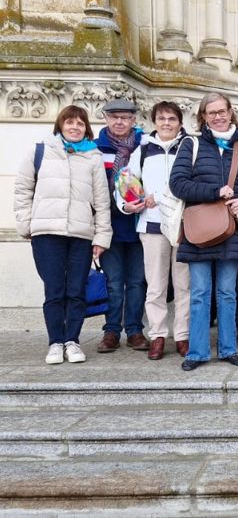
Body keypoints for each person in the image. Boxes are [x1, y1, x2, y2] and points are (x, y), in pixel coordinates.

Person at [169, 92, 238, 371]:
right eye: (211, 112)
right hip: (200, 230)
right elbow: (177, 184)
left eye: (221, 111)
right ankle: (197, 352)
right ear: (203, 116)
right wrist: (215, 191)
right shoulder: (192, 145)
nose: (217, 116)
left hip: (231, 231)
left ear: (230, 112)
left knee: (227, 292)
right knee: (200, 291)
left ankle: (227, 349)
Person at [14, 105, 111, 365]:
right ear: (61, 125)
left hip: (80, 234)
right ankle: (55, 342)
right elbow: (23, 190)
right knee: (54, 290)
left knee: (77, 290)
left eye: (80, 123)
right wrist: (26, 225)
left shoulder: (93, 157)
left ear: (86, 128)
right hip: (47, 233)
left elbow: (102, 202)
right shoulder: (40, 151)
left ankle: (73, 340)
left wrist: (101, 237)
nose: (75, 127)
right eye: (70, 122)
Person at [117, 101, 191, 360]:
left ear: (180, 122)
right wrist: (134, 202)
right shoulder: (143, 149)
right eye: (162, 119)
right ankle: (158, 335)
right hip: (152, 224)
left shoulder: (189, 147)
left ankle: (182, 336)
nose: (167, 123)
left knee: (184, 285)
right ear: (154, 122)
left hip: (184, 226)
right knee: (156, 285)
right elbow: (126, 181)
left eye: (172, 118)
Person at [95, 99, 148, 354]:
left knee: (137, 281)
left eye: (125, 117)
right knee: (114, 281)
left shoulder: (145, 146)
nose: (119, 122)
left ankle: (135, 330)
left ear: (134, 121)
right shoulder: (96, 149)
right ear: (105, 118)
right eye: (114, 117)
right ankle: (112, 331)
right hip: (110, 226)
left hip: (139, 224)